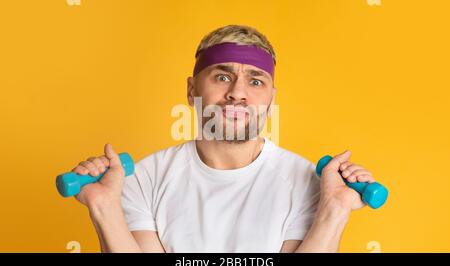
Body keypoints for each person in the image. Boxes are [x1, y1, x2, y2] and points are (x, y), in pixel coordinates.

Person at [71, 25, 376, 253]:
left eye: (255, 81)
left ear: (270, 100)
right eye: (222, 76)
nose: (237, 93)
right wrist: (104, 207)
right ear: (191, 90)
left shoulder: (307, 183)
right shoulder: (144, 179)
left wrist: (334, 209)